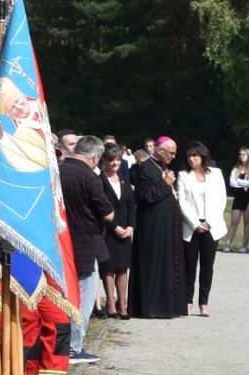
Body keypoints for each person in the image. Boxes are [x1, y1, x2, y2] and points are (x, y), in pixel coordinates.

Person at [60, 136, 119, 340]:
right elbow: (107, 213)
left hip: (60, 241)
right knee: (83, 297)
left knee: (62, 295)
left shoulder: (57, 170)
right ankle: (75, 345)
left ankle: (61, 344)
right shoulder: (89, 178)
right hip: (86, 243)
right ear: (95, 157)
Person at [126, 138, 188, 319]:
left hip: (166, 225)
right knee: (152, 264)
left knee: (167, 263)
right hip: (152, 225)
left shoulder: (162, 167)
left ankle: (168, 305)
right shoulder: (145, 168)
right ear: (160, 150)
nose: (174, 156)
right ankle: (151, 306)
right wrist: (165, 184)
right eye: (171, 153)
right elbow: (145, 196)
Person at [176, 142, 227, 315]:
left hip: (212, 226)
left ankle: (204, 302)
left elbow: (221, 200)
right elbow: (182, 202)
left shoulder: (216, 174)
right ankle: (187, 300)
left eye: (194, 156)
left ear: (203, 156)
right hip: (191, 227)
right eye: (189, 156)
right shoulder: (183, 175)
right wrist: (196, 224)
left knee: (207, 265)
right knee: (189, 265)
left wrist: (209, 222)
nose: (191, 159)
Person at [101, 141, 136, 316]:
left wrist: (130, 226)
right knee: (109, 268)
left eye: (118, 160)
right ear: (104, 161)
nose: (115, 163)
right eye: (111, 160)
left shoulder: (124, 181)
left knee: (123, 268)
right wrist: (114, 227)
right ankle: (110, 303)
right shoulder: (100, 180)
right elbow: (99, 208)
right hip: (108, 230)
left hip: (125, 230)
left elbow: (131, 205)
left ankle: (123, 304)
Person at [226, 148, 249, 255]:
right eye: (240, 154)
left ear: (248, 155)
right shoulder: (236, 168)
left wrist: (239, 181)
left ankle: (244, 245)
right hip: (239, 196)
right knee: (234, 221)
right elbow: (232, 183)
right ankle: (228, 244)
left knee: (247, 221)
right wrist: (244, 182)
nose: (241, 156)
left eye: (244, 154)